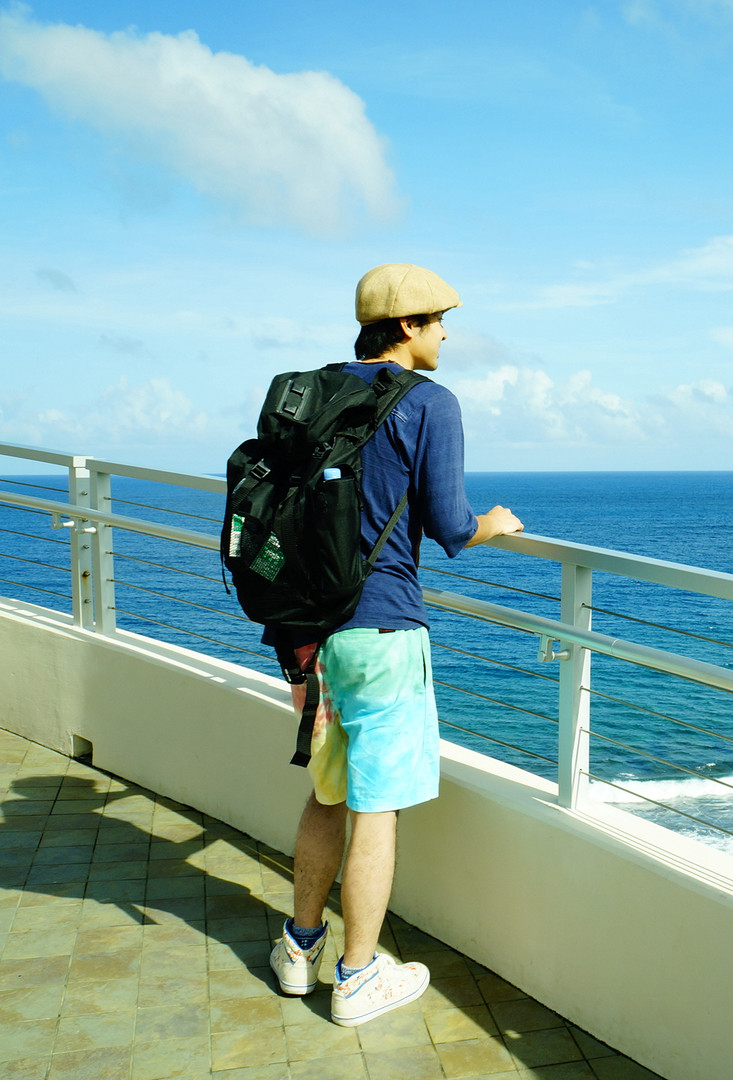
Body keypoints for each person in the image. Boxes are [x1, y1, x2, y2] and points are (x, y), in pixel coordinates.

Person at [268, 263, 524, 1026]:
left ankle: (298, 951)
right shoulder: (430, 403)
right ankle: (356, 979)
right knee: (375, 809)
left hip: (311, 632)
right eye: (439, 321)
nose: (446, 335)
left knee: (327, 794)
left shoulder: (313, 392)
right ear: (407, 327)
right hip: (382, 632)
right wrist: (494, 524)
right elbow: (450, 525)